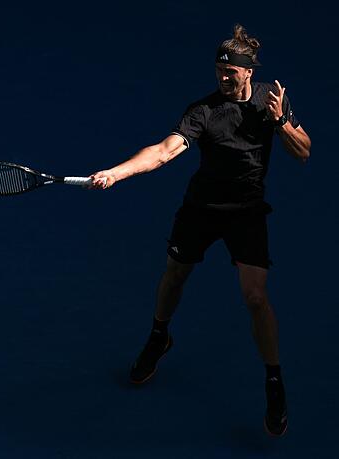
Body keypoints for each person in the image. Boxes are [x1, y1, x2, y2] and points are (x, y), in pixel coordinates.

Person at [87, 24, 311, 437]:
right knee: (175, 276)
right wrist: (117, 174)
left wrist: (281, 123)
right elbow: (163, 151)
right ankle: (159, 336)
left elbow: (304, 151)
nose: (223, 78)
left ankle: (274, 380)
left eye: (231, 72)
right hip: (201, 210)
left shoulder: (270, 102)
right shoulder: (203, 112)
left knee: (256, 296)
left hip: (246, 213)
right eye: (218, 71)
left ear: (249, 72)